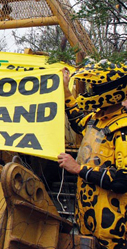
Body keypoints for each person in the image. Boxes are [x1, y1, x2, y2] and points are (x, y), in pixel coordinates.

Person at [57, 61, 127, 249]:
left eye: (94, 88)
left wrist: (79, 169)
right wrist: (66, 91)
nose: (90, 92)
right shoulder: (97, 117)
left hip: (113, 231)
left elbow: (123, 179)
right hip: (87, 222)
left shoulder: (123, 128)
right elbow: (79, 122)